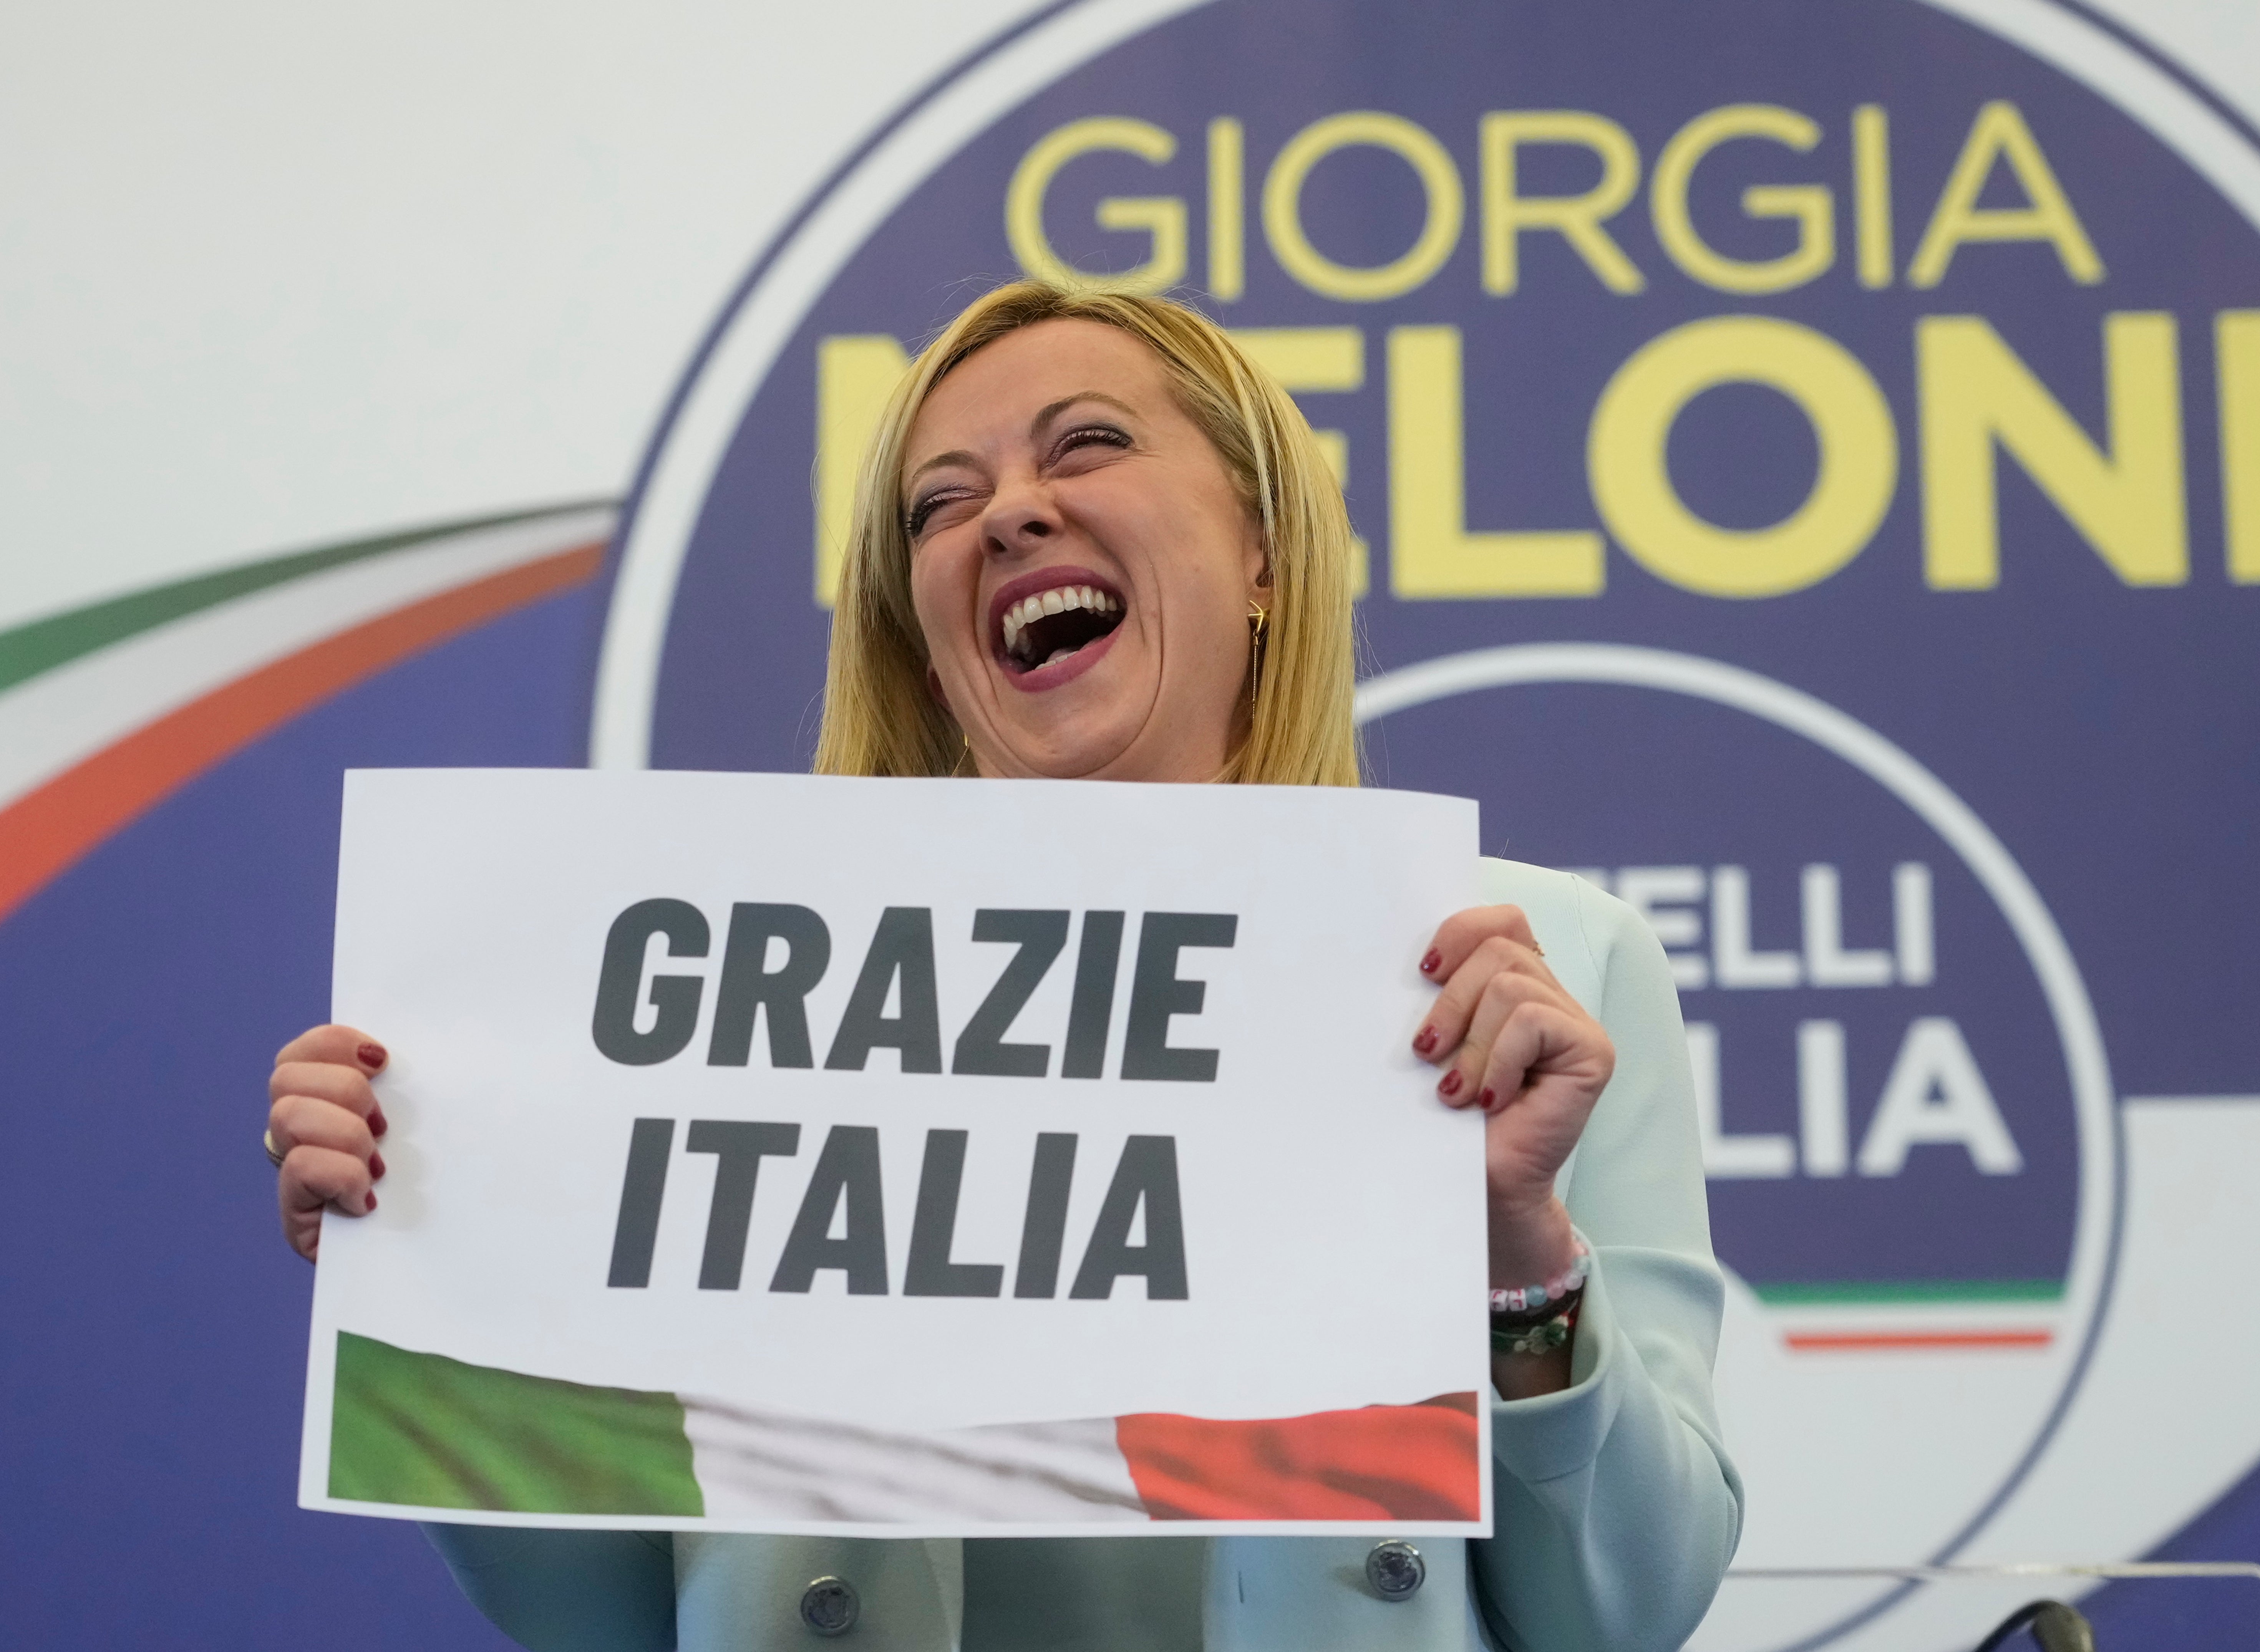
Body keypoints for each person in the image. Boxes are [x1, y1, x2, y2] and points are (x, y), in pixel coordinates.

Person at [265, 280, 1742, 1652]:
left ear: (1265, 557)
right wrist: (432, 1265)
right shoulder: (748, 1012)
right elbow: (595, 1619)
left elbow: (1626, 1613)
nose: (1010, 516)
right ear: (925, 639)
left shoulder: (1538, 974)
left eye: (1086, 446)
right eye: (940, 504)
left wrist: (1521, 1257)